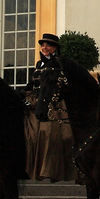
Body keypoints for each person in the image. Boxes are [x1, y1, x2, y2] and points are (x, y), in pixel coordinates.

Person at [24, 34, 73, 182]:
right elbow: (32, 84)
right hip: (37, 103)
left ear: (55, 48)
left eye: (48, 45)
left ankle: (51, 170)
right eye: (43, 45)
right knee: (29, 135)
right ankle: (34, 170)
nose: (45, 47)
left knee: (50, 135)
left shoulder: (58, 64)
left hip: (54, 104)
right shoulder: (39, 65)